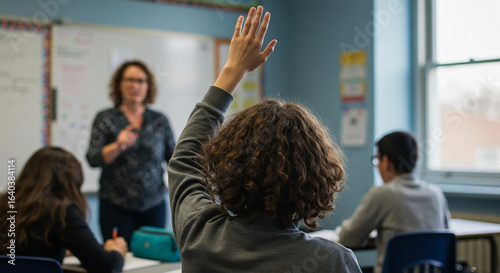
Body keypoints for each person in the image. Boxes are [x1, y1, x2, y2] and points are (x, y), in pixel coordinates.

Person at [167, 6, 361, 272]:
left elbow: (184, 161)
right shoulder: (333, 262)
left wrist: (233, 70)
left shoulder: (199, 237)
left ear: (228, 166)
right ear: (317, 176)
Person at [86, 60, 176, 245]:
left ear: (148, 86)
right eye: (129, 80)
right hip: (115, 204)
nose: (135, 86)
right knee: (118, 259)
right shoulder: (105, 118)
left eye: (141, 81)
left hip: (153, 204)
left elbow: (173, 158)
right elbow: (93, 158)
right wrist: (117, 145)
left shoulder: (159, 120)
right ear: (119, 85)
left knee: (152, 258)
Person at [338, 131, 451, 273]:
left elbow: (349, 239)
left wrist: (345, 226)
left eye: (377, 159)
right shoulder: (436, 193)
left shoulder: (382, 194)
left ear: (385, 162)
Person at [0, 147, 127, 272]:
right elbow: (106, 266)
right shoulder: (61, 210)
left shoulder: (5, 202)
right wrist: (117, 250)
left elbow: (25, 253)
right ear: (70, 183)